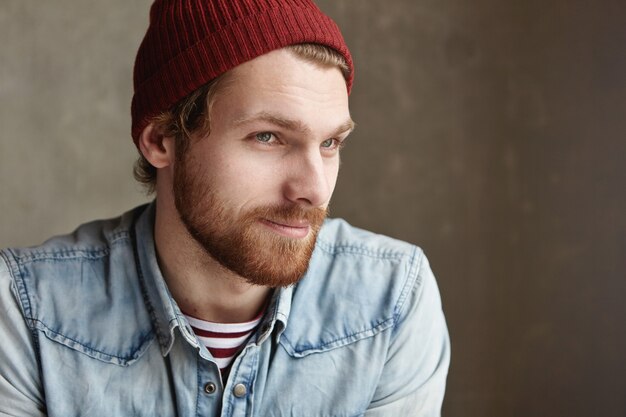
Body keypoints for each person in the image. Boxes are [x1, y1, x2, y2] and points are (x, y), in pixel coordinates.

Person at [0, 0, 450, 415]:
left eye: (330, 143)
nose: (314, 189)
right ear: (161, 139)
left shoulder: (389, 299)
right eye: (268, 137)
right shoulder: (27, 312)